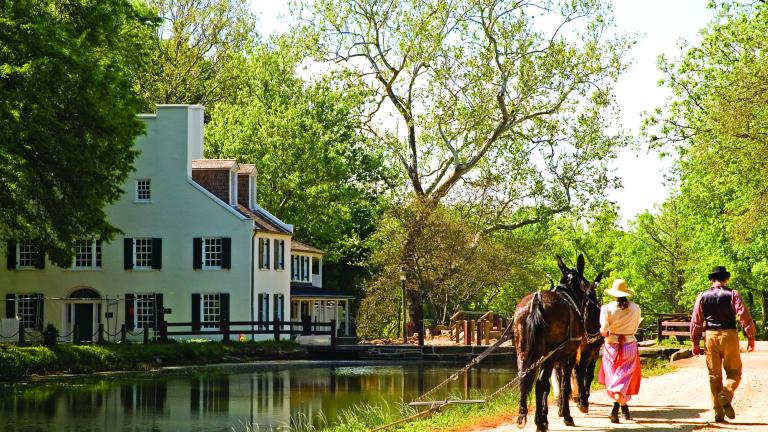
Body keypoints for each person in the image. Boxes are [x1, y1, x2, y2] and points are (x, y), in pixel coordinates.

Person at [690, 265, 755, 423]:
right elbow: (743, 316)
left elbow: (696, 320)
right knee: (734, 373)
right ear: (726, 279)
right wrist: (750, 336)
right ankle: (725, 395)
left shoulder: (702, 296)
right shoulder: (733, 294)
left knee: (714, 375)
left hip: (711, 337)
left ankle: (718, 413)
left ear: (712, 279)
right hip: (729, 335)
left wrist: (695, 342)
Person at [598, 278, 642, 424]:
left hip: (612, 346)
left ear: (613, 293)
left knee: (614, 379)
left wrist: (605, 332)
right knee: (624, 378)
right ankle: (624, 408)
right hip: (629, 344)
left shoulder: (606, 308)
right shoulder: (636, 308)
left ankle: (615, 407)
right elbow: (635, 328)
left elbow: (604, 331)